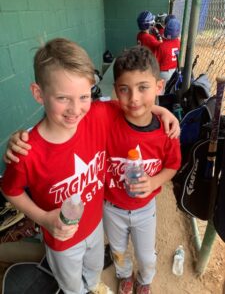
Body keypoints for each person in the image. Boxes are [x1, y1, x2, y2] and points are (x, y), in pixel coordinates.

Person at [2, 39, 180, 294]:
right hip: (61, 240)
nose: (75, 109)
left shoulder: (96, 114)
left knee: (94, 270)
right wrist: (43, 219)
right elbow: (10, 190)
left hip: (96, 225)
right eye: (63, 98)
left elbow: (135, 106)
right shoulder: (27, 150)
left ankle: (93, 286)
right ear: (38, 94)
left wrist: (164, 112)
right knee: (73, 286)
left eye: (84, 96)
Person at [103, 46, 181, 294]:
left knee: (146, 255)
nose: (134, 98)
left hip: (145, 208)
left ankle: (144, 279)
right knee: (118, 250)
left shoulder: (167, 131)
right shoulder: (108, 118)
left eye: (143, 88)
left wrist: (155, 181)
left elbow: (173, 165)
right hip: (111, 206)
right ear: (116, 91)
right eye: (124, 89)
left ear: (159, 87)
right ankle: (124, 275)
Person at [155, 18, 181, 93]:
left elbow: (157, 62)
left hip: (164, 73)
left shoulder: (162, 46)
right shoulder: (179, 42)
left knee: (160, 93)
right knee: (170, 91)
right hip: (175, 71)